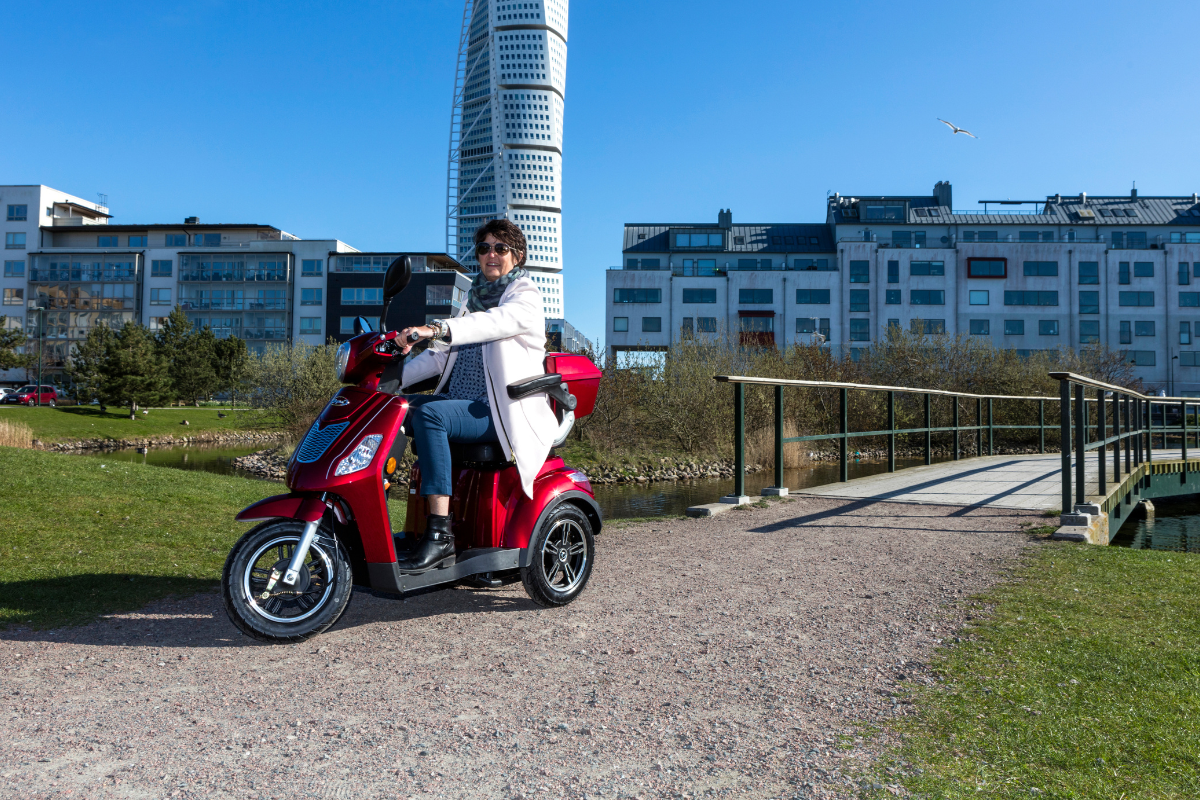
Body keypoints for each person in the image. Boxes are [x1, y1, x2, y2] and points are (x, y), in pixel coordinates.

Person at [395, 219, 557, 571]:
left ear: (518, 255)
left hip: (497, 410)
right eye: (484, 248)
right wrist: (388, 381)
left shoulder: (525, 297)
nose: (491, 254)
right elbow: (439, 356)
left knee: (429, 414)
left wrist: (435, 327)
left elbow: (493, 323)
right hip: (463, 405)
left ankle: (440, 536)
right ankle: (398, 518)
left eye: (501, 248)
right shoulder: (472, 301)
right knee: (397, 407)